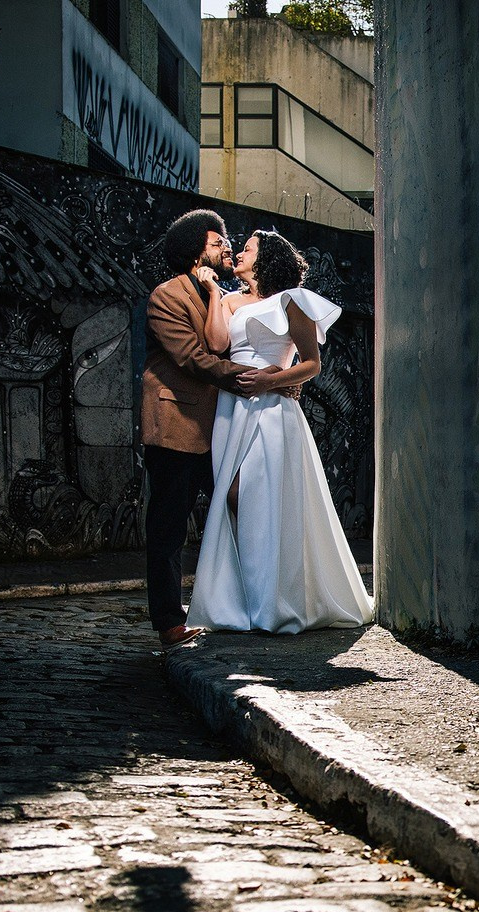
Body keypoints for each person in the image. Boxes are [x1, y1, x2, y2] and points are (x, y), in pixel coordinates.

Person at [184, 229, 374, 634]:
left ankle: (273, 601)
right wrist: (215, 292)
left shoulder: (291, 302)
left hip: (273, 408)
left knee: (264, 494)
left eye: (248, 249)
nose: (238, 253)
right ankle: (244, 599)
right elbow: (217, 343)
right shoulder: (232, 299)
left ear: (266, 257)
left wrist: (272, 381)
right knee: (231, 493)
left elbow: (312, 364)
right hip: (231, 408)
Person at [139, 209, 289, 648]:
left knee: (241, 509)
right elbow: (190, 357)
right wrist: (246, 378)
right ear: (194, 249)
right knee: (168, 526)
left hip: (222, 429)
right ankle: (169, 622)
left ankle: (250, 602)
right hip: (176, 428)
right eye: (217, 242)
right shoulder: (166, 296)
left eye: (226, 242)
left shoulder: (218, 293)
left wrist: (278, 377)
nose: (226, 247)